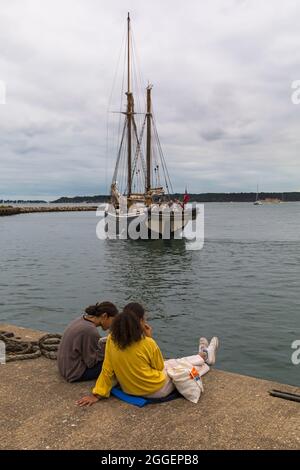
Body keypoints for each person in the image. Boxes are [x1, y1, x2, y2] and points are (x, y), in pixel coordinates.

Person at [76, 303, 218, 406]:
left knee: (173, 362)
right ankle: (205, 358)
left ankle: (203, 355)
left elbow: (107, 370)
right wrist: (149, 337)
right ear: (140, 322)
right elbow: (158, 366)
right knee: (179, 366)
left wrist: (97, 394)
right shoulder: (147, 343)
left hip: (130, 389)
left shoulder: (111, 341)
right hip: (155, 390)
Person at [57, 301, 118, 382]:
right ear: (104, 316)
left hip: (64, 367)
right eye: (112, 321)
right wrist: (106, 347)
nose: (112, 325)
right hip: (74, 373)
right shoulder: (90, 330)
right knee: (115, 361)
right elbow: (91, 362)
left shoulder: (82, 319)